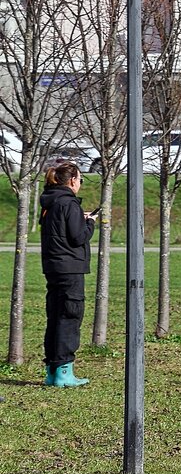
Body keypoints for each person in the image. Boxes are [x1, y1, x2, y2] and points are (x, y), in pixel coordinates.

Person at [40, 161, 96, 388]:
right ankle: (65, 372)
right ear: (72, 181)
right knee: (70, 316)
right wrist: (90, 223)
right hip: (70, 268)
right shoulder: (69, 203)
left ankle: (52, 371)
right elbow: (78, 237)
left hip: (53, 267)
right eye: (80, 179)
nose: (80, 183)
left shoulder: (50, 203)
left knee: (55, 316)